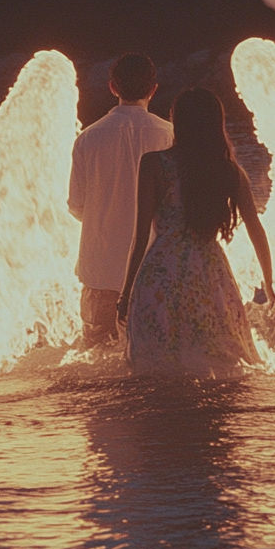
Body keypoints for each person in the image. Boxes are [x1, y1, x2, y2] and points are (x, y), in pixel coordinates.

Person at [117, 87, 275, 378]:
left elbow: (140, 235)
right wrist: (269, 287)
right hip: (210, 275)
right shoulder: (230, 171)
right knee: (217, 365)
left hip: (161, 274)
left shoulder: (155, 164)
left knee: (158, 370)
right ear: (216, 124)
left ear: (176, 121)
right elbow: (256, 230)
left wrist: (126, 292)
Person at [68, 52, 174, 348]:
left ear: (112, 87)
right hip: (156, 269)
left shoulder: (88, 138)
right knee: (155, 357)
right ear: (154, 89)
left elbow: (77, 205)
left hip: (100, 269)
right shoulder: (170, 135)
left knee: (97, 359)